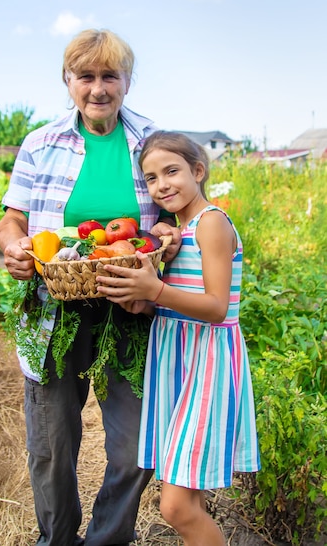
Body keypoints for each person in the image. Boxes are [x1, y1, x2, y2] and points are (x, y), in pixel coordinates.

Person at [0, 29, 181, 546]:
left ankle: (105, 540)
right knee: (52, 443)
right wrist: (15, 248)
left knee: (134, 445)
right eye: (86, 76)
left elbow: (177, 212)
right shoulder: (41, 143)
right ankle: (57, 539)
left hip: (134, 306)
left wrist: (167, 233)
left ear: (127, 81)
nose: (98, 88)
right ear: (68, 80)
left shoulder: (153, 140)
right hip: (56, 306)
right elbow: (12, 220)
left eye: (109, 76)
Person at [96, 130, 261, 546]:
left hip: (206, 363)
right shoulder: (171, 233)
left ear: (198, 171)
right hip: (176, 360)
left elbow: (217, 307)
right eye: (151, 178)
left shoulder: (212, 224)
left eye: (172, 171)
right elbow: (179, 299)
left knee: (175, 507)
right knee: (188, 498)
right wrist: (148, 305)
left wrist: (155, 291)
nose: (162, 184)